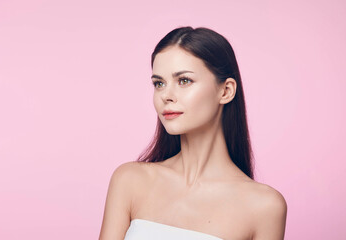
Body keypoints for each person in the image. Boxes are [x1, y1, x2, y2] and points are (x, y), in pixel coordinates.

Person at [99, 26, 287, 240]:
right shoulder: (130, 181)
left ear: (226, 91)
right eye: (159, 83)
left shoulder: (264, 206)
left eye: (184, 81)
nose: (166, 96)